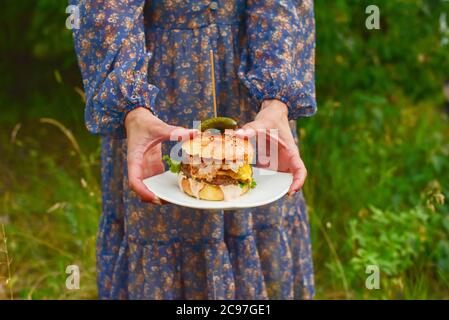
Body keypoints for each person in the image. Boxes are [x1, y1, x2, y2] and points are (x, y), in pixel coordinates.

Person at [71, 0, 317, 299]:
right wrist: (132, 107)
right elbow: (107, 8)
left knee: (260, 214)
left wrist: (277, 97)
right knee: (160, 220)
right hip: (159, 90)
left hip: (251, 90)